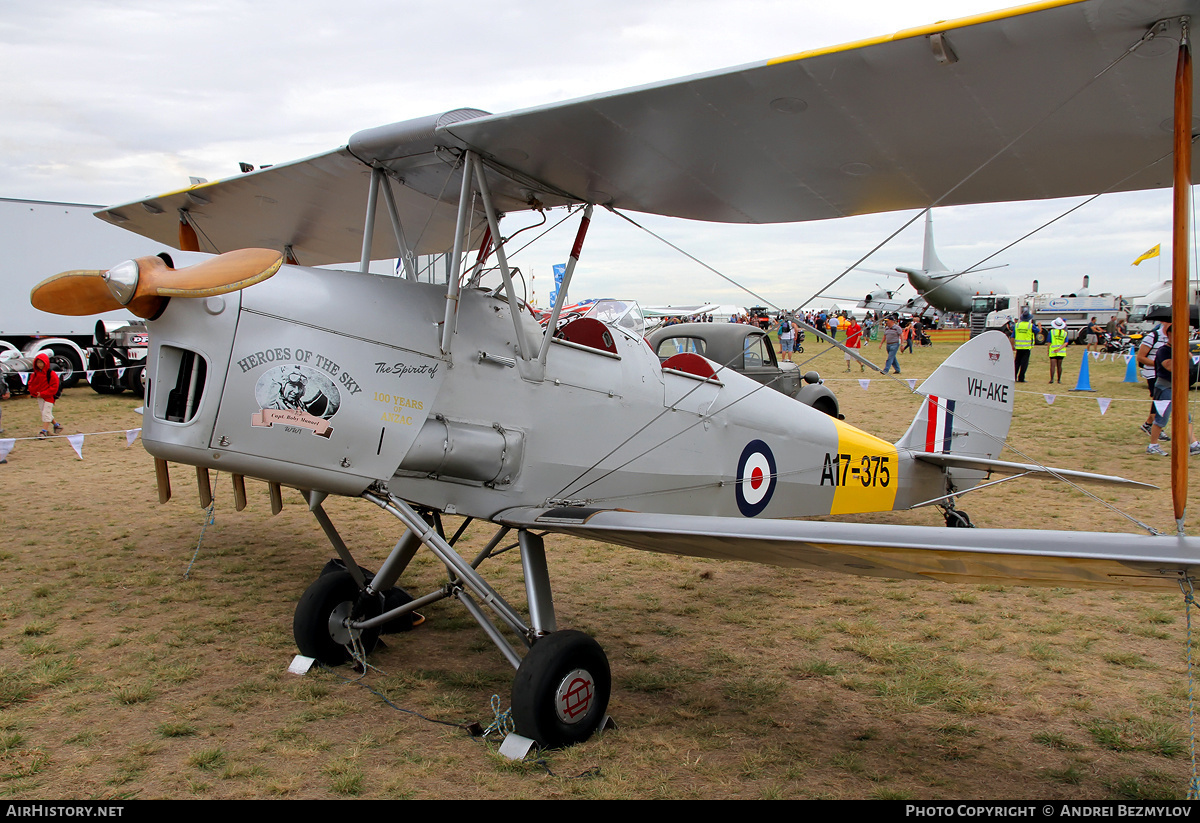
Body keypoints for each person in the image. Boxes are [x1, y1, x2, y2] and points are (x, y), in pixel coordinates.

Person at [1147, 331, 1200, 456]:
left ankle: (1194, 444)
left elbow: (1189, 359)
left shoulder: (1181, 349)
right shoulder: (1163, 350)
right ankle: (1152, 445)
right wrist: (1180, 353)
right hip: (1165, 387)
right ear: (1170, 334)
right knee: (1161, 419)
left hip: (1178, 388)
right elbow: (1170, 366)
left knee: (1186, 418)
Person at [1137, 309, 1172, 440]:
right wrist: (1158, 363)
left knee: (1159, 401)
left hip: (1166, 374)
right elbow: (1140, 357)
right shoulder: (1153, 336)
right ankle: (1155, 427)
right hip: (1152, 373)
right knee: (1160, 401)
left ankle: (1148, 424)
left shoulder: (1175, 338)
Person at [27, 352, 61, 439]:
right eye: (38, 362)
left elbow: (54, 387)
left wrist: (43, 393)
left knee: (46, 413)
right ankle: (57, 425)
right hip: (40, 397)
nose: (40, 365)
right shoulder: (34, 374)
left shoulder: (51, 374)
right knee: (45, 412)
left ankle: (44, 431)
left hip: (49, 397)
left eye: (41, 362)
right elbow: (31, 384)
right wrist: (35, 393)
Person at [1010, 311, 1038, 383]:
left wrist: (1012, 346)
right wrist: (1040, 326)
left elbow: (1012, 337)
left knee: (1017, 362)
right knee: (1024, 363)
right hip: (1026, 347)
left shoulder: (1017, 325)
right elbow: (1037, 331)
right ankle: (1021, 378)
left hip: (1018, 347)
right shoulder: (1030, 326)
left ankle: (1013, 376)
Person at [1047, 317, 1068, 384]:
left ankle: (1052, 379)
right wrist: (1059, 348)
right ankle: (1059, 379)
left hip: (1053, 351)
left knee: (1052, 366)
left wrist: (1048, 350)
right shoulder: (1064, 333)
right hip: (1061, 352)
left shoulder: (1051, 332)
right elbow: (1066, 343)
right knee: (1059, 366)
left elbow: (1049, 342)